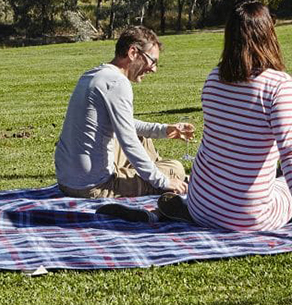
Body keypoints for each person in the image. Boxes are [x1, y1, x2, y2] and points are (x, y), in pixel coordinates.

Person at [157, 1, 292, 240]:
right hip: (247, 216)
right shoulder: (278, 84)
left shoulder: (214, 78)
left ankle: (176, 212)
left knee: (272, 181)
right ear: (268, 35)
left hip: (200, 204)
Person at [54, 25, 192, 198]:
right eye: (152, 61)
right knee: (175, 169)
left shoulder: (93, 75)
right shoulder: (118, 83)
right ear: (133, 53)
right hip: (93, 186)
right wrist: (163, 181)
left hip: (67, 180)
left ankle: (151, 171)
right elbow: (128, 141)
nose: (154, 69)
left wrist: (164, 129)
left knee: (143, 139)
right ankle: (159, 178)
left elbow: (125, 125)